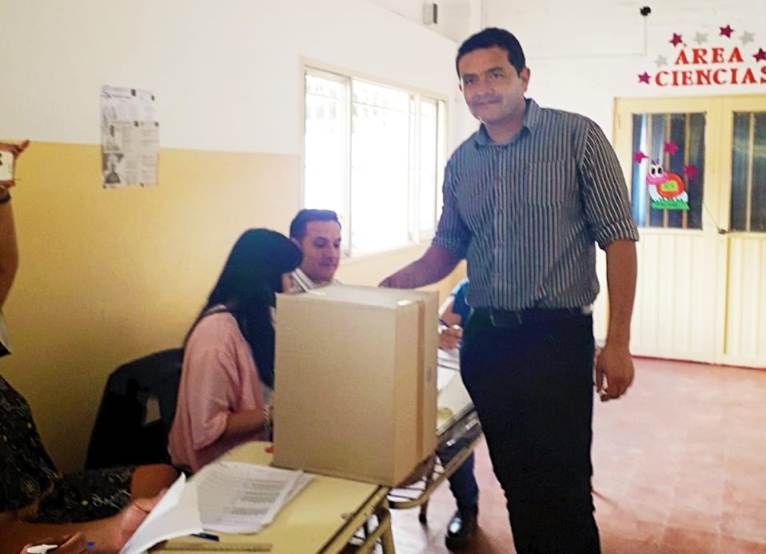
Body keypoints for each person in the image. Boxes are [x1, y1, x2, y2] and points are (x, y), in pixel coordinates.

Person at [381, 27, 639, 554]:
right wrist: (388, 287)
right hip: (486, 344)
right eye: (469, 80)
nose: (482, 89)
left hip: (554, 340)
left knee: (564, 487)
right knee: (517, 481)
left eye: (494, 74)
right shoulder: (462, 162)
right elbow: (446, 249)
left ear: (523, 76)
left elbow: (619, 240)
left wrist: (618, 342)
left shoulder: (577, 137)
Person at [0, 141, 171, 554]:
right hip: (13, 527)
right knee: (140, 529)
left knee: (161, 478)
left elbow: (4, 266)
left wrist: (1, 192)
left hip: (47, 493)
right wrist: (114, 532)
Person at [169, 229, 302, 472]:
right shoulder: (216, 337)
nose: (292, 283)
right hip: (213, 469)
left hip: (251, 457)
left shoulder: (256, 321)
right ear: (266, 278)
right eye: (288, 274)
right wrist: (274, 414)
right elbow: (207, 428)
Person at [435, 278, 482, 551]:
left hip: (518, 378)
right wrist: (443, 333)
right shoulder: (470, 287)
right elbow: (441, 322)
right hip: (467, 378)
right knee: (451, 432)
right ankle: (467, 506)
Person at [286, 209, 342, 293]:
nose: (331, 254)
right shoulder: (281, 295)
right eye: (320, 244)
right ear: (295, 247)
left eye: (336, 245)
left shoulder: (339, 290)